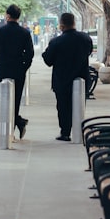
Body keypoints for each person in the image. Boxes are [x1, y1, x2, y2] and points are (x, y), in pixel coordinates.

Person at [41, 13, 93, 141]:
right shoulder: (86, 39)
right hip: (81, 79)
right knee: (79, 105)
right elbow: (89, 52)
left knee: (63, 107)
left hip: (62, 80)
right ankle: (78, 130)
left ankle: (65, 132)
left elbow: (48, 61)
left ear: (61, 25)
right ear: (74, 23)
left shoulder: (56, 42)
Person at [0, 4, 34, 139]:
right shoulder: (25, 33)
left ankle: (11, 130)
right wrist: (24, 66)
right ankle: (16, 124)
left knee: (2, 98)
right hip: (18, 70)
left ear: (7, 15)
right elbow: (30, 53)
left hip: (2, 69)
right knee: (16, 99)